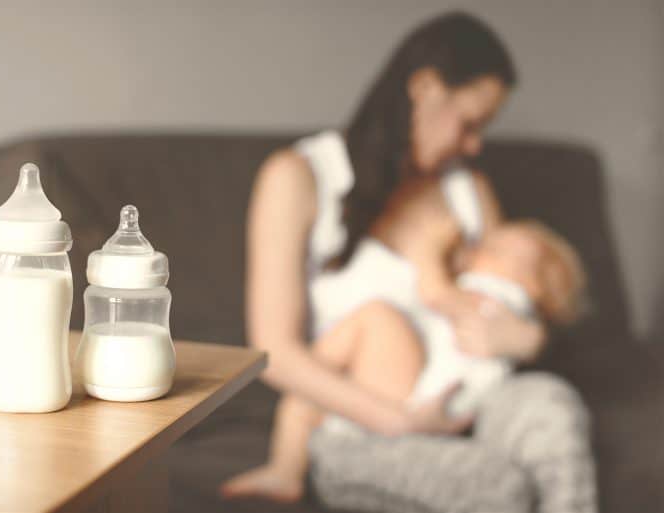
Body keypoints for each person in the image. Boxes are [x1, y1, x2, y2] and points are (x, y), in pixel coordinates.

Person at [222, 10, 596, 513]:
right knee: (493, 483)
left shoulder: (470, 190)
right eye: (469, 124)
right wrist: (399, 420)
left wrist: (527, 338)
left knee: (552, 404)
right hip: (368, 419)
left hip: (472, 404)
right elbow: (274, 349)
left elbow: (515, 295)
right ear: (424, 88)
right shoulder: (299, 177)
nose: (474, 145)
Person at [223, 219, 587, 504]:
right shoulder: (489, 294)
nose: (483, 245)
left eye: (500, 249)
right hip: (409, 404)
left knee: (377, 318)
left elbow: (434, 293)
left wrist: (426, 251)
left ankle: (296, 440)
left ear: (537, 285)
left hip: (425, 396)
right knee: (315, 388)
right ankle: (297, 440)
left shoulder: (494, 296)